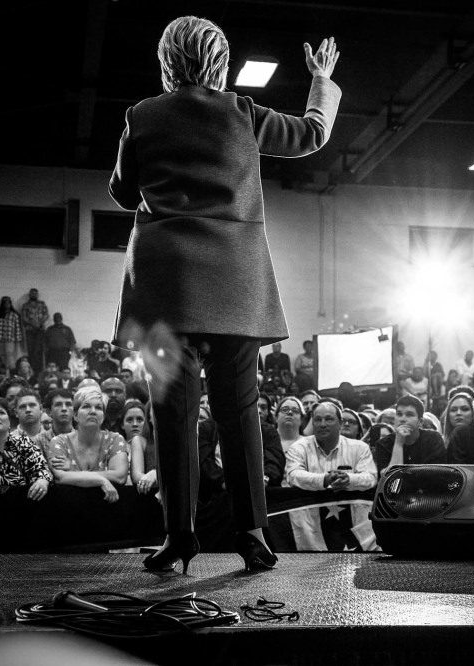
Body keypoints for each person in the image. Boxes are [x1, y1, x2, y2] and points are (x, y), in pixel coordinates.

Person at [108, 16, 340, 574]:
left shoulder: (141, 116)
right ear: (221, 60)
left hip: (163, 289)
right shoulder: (244, 113)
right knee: (238, 413)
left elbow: (121, 191)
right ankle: (253, 533)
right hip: (235, 287)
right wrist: (320, 80)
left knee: (173, 414)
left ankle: (178, 535)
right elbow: (311, 133)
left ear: (167, 60)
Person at [44, 385, 129, 503]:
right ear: (75, 415)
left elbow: (119, 477)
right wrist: (101, 480)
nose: (93, 411)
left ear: (103, 416)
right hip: (69, 508)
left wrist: (73, 473)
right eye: (86, 406)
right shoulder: (59, 442)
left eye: (98, 408)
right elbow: (60, 477)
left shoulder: (115, 439)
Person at [284, 401, 377, 492]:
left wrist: (349, 479)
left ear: (340, 423)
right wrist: (324, 479)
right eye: (318, 420)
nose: (323, 424)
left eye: (328, 419)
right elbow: (293, 476)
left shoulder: (360, 448)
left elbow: (371, 477)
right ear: (312, 424)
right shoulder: (298, 447)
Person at [373, 394, 447, 475]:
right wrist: (398, 443)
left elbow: (438, 473)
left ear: (420, 422)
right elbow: (389, 478)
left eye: (409, 415)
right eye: (399, 414)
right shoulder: (383, 444)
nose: (402, 419)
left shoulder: (433, 438)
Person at [123, 399, 158, 495]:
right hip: (148, 496)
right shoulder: (140, 440)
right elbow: (137, 477)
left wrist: (157, 475)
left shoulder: (182, 440)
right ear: (149, 417)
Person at [0, 296, 24, 369]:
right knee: (2, 355)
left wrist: (18, 337)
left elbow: (17, 327)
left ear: (11, 304)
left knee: (9, 354)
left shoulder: (14, 314)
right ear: (2, 304)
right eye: (5, 303)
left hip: (10, 338)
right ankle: (5, 371)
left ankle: (12, 371)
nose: (7, 305)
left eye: (8, 303)